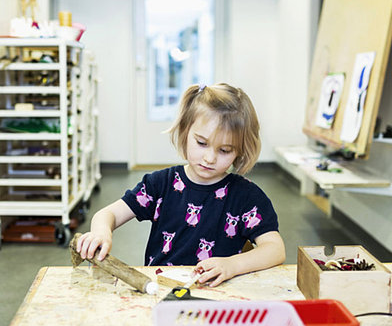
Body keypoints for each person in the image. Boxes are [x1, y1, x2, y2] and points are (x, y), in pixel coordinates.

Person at [76, 83, 286, 287]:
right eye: (202, 143)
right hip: (159, 289)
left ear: (240, 150)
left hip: (216, 293)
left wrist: (232, 265)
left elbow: (275, 249)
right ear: (185, 132)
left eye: (225, 150)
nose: (210, 158)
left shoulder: (247, 196)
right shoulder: (160, 184)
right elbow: (108, 214)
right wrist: (101, 232)